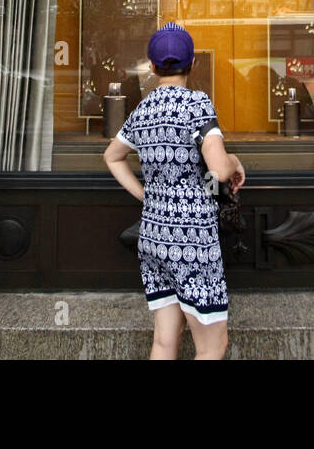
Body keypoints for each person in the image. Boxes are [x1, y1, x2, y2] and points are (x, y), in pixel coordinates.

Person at [103, 22, 246, 359]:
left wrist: (146, 195)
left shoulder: (143, 110)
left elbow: (112, 157)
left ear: (152, 67)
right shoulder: (197, 104)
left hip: (154, 235)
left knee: (165, 342)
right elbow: (219, 169)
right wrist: (235, 161)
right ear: (192, 63)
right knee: (212, 347)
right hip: (192, 239)